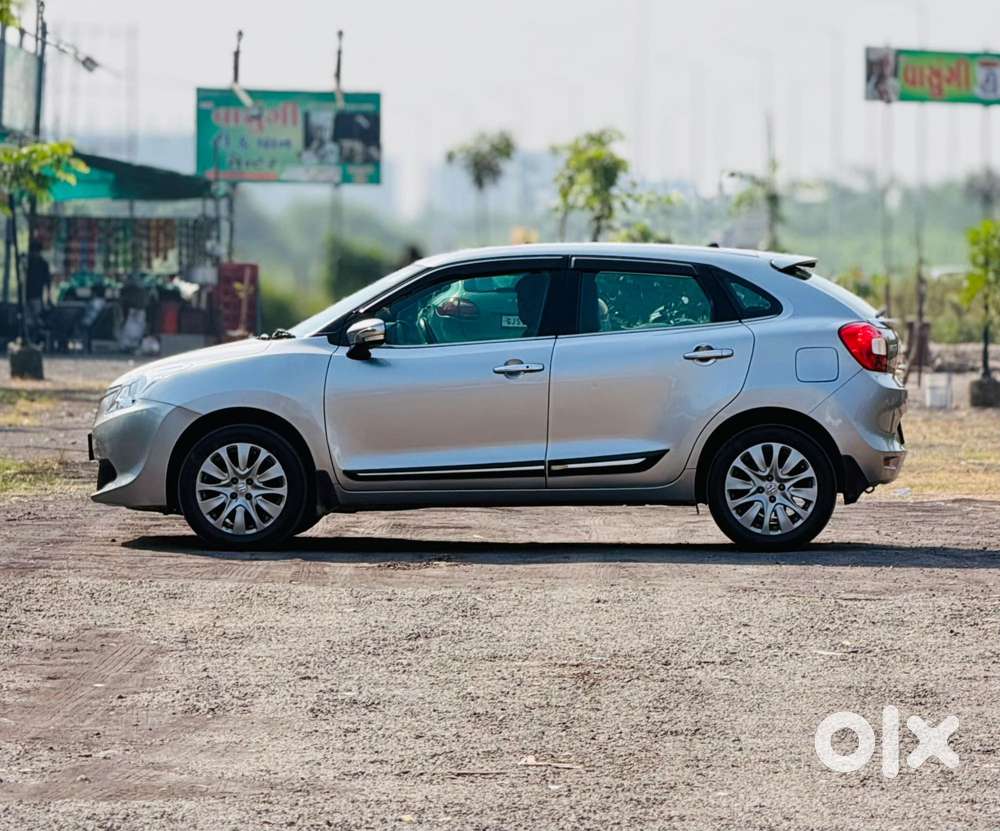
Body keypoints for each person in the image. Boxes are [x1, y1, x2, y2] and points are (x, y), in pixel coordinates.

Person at [25, 239, 52, 341]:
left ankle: (37, 338)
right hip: (27, 296)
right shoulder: (28, 263)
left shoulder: (43, 264)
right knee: (29, 320)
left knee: (36, 319)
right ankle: (30, 338)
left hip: (37, 296)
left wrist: (48, 296)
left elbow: (47, 282)